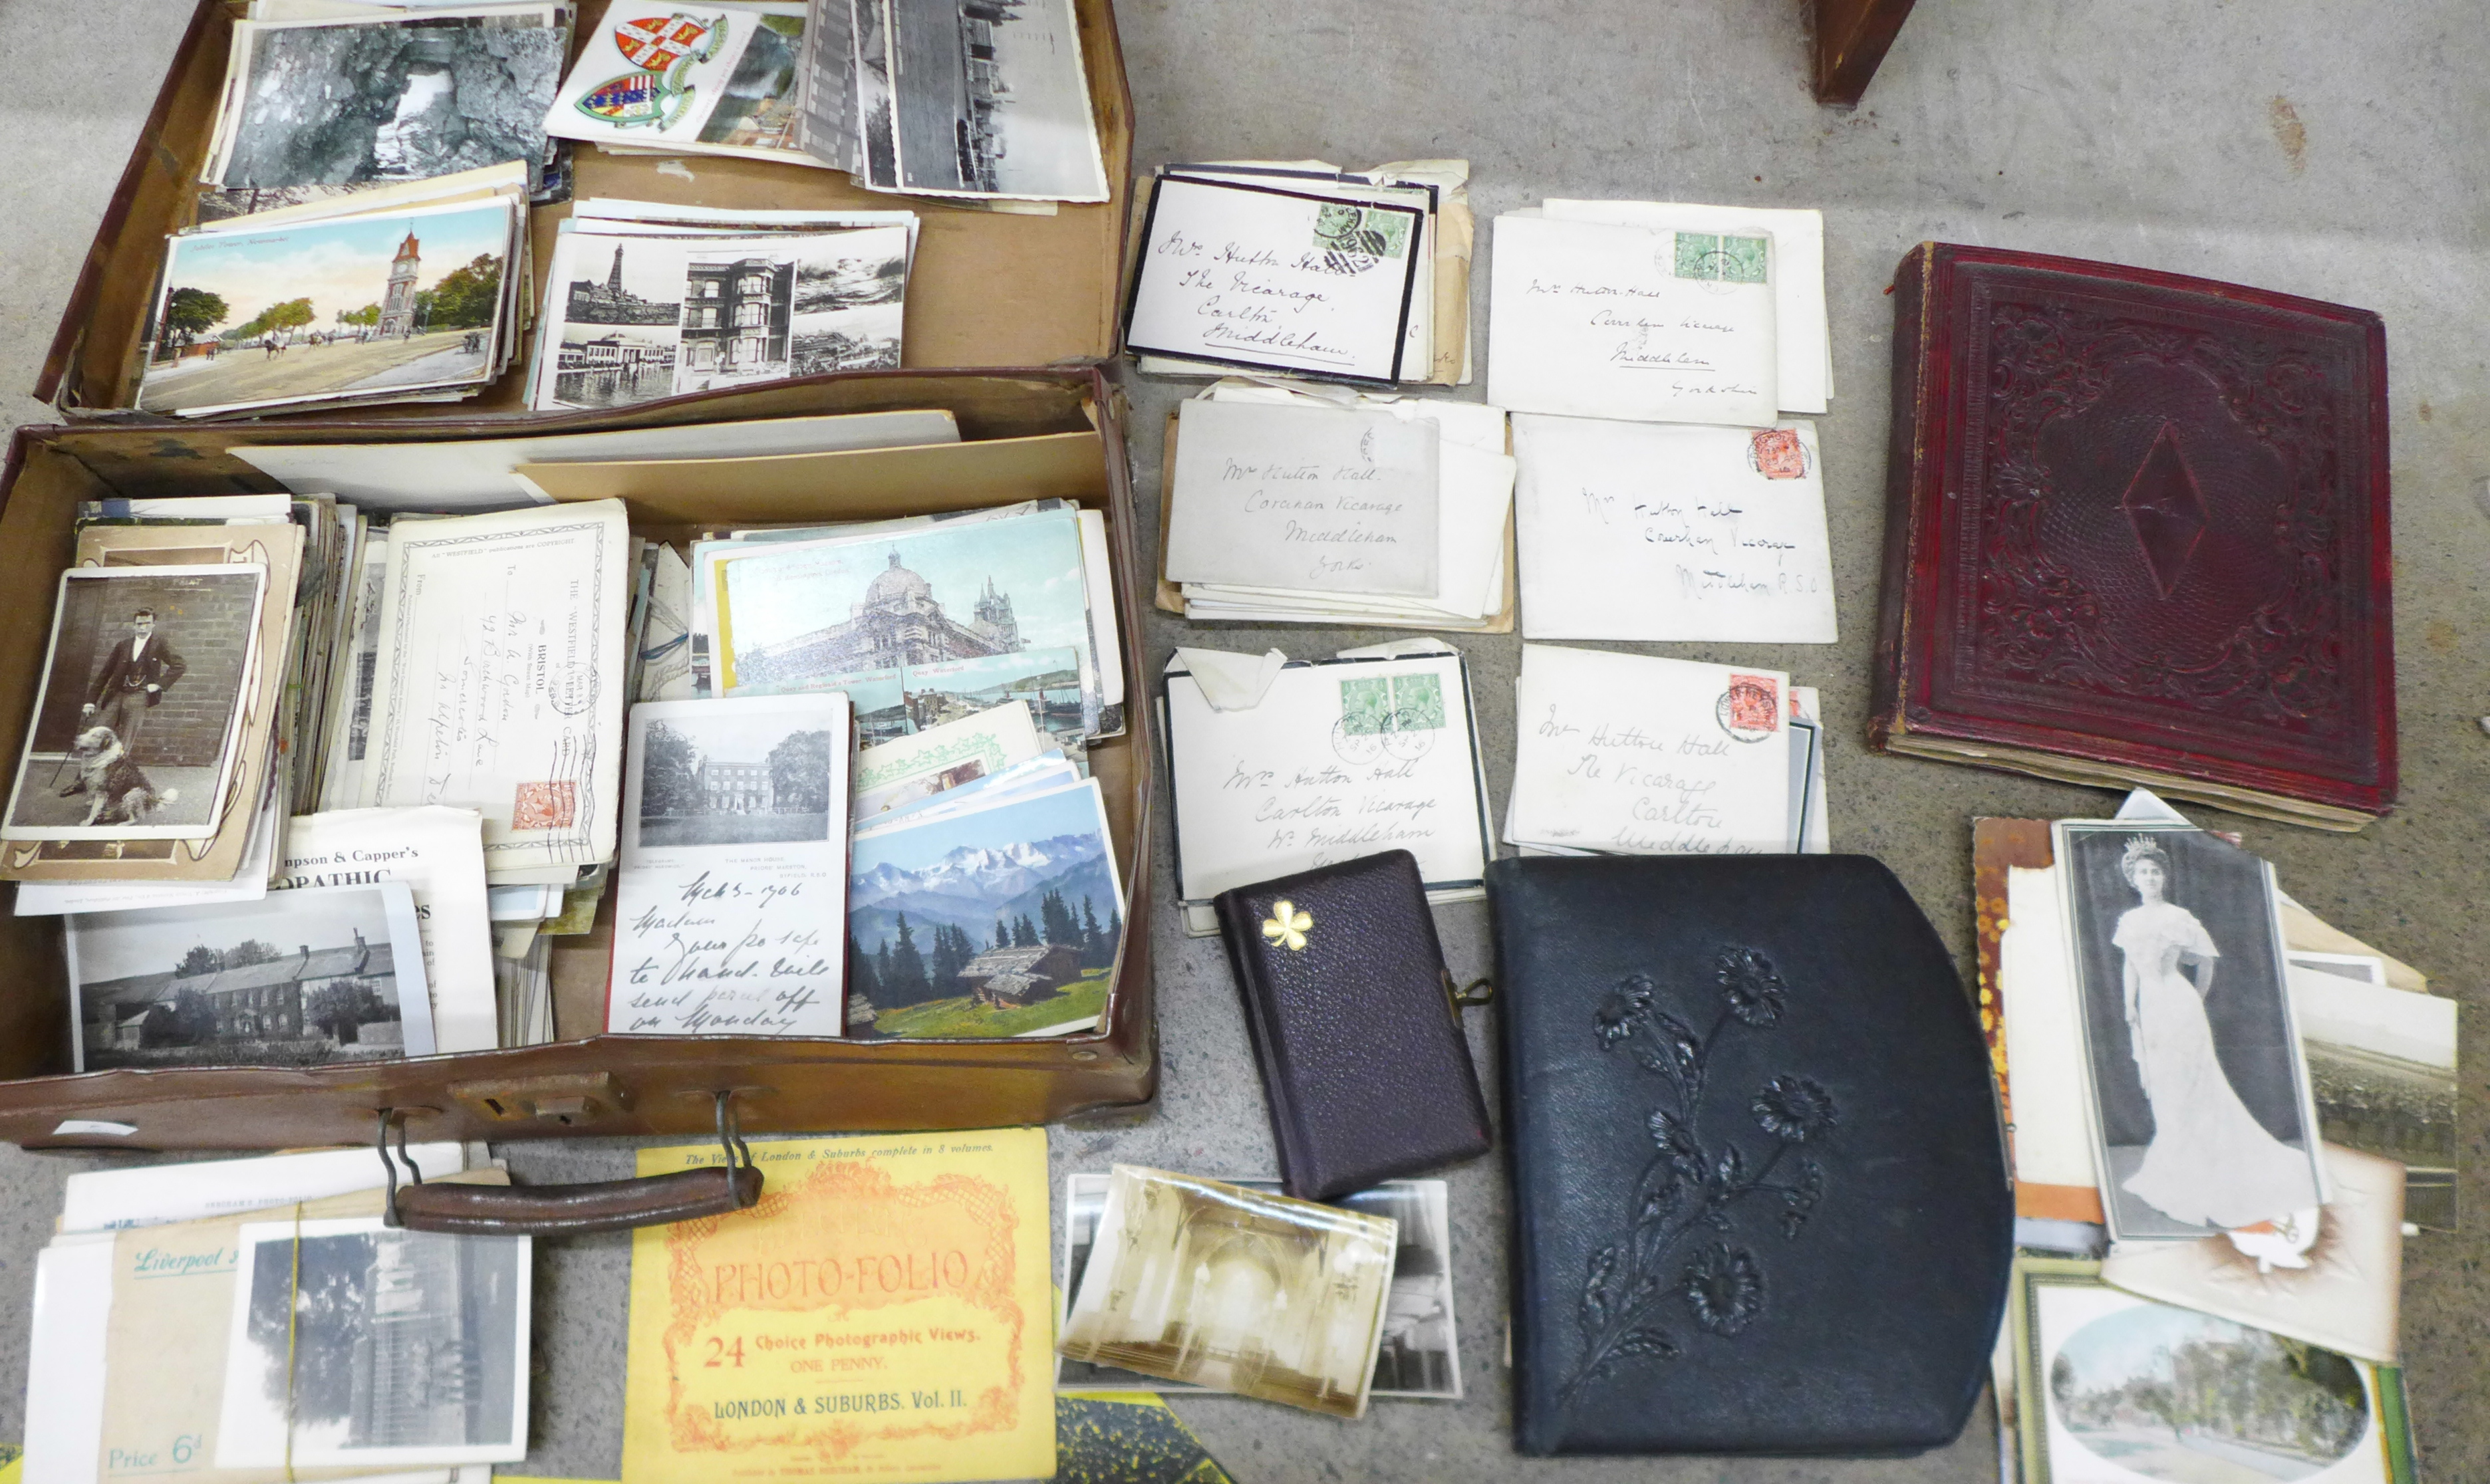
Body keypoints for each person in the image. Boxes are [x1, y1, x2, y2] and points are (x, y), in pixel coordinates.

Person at [2110, 834, 2314, 1228]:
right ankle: (2172, 1160)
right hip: (2149, 1008)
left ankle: (2204, 1163)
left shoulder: (2179, 917)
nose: (2150, 878)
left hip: (2178, 1003)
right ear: (2133, 880)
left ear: (2164, 878)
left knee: (2192, 1081)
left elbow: (2206, 962)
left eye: (2155, 872)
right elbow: (2130, 966)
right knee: (2164, 1082)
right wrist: (2128, 1006)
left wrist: (2195, 1001)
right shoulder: (2130, 921)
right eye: (2143, 873)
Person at [80, 607, 186, 759]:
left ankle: (116, 776)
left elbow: (180, 666)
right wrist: (90, 702)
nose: (143, 628)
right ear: (134, 625)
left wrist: (159, 684)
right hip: (118, 693)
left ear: (153, 624)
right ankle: (85, 778)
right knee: (99, 731)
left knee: (125, 739)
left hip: (139, 695)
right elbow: (105, 673)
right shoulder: (123, 645)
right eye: (139, 624)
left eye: (147, 624)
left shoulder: (160, 644)